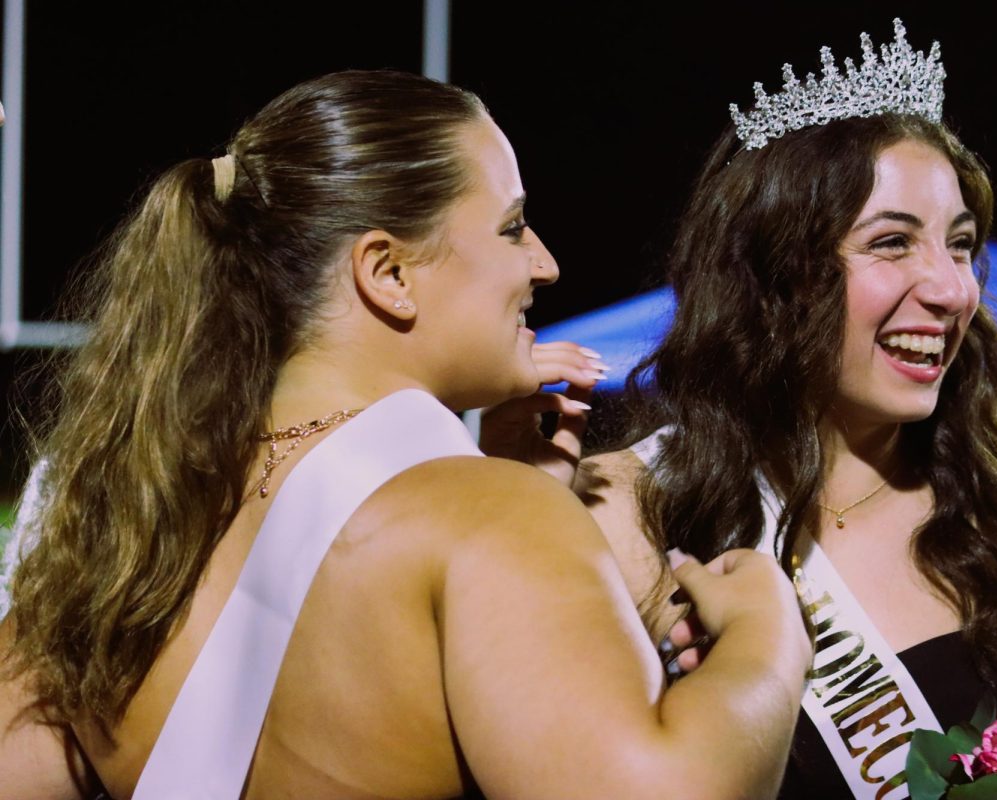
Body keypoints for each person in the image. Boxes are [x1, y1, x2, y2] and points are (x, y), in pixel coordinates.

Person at [0, 70, 810, 799]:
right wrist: (767, 636)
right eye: (512, 227)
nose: (546, 264)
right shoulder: (488, 519)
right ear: (387, 274)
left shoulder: (131, 514)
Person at [574, 20, 997, 799]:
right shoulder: (633, 508)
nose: (952, 288)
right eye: (893, 243)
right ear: (774, 277)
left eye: (959, 245)